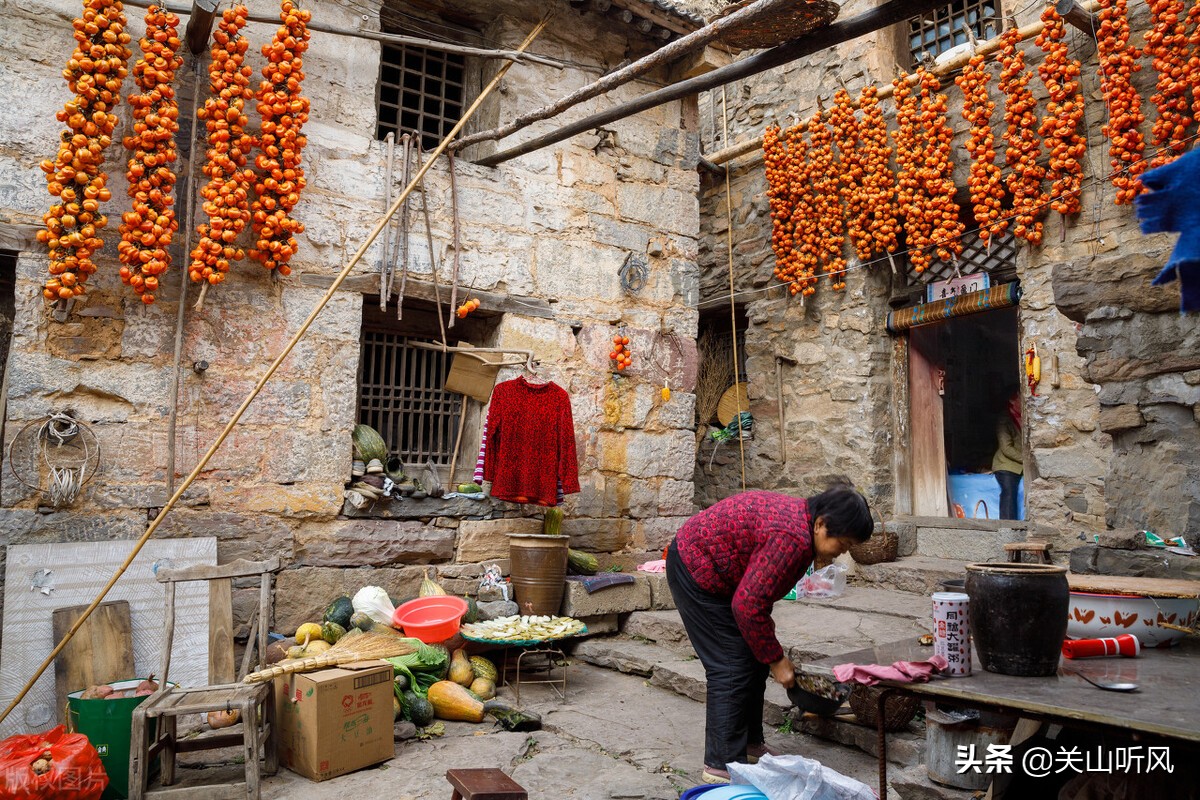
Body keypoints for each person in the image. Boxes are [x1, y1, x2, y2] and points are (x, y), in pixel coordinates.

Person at [665, 483, 873, 785]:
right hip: (695, 569)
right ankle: (720, 765)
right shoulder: (791, 538)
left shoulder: (802, 530)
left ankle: (749, 745)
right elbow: (748, 605)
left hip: (725, 580)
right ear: (821, 524)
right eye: (842, 543)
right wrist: (776, 659)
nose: (842, 552)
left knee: (752, 656)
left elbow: (756, 600)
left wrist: (768, 653)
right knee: (731, 665)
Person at [993, 392, 1024, 520]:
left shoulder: (1025, 417)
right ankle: (1008, 528)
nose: (1024, 403)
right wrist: (1026, 460)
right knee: (1009, 493)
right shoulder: (1004, 419)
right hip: (1007, 465)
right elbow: (1006, 448)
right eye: (1021, 399)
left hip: (1021, 464)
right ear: (1012, 401)